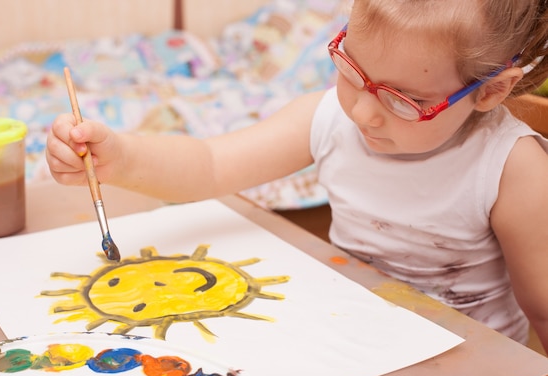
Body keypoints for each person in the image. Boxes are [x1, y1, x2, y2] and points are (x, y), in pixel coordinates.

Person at [47, 0, 548, 353]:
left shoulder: (513, 170)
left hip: (465, 370)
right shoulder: (329, 117)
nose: (364, 113)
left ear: (488, 91)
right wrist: (120, 158)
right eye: (352, 71)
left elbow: (543, 312)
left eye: (404, 101)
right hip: (347, 339)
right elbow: (211, 165)